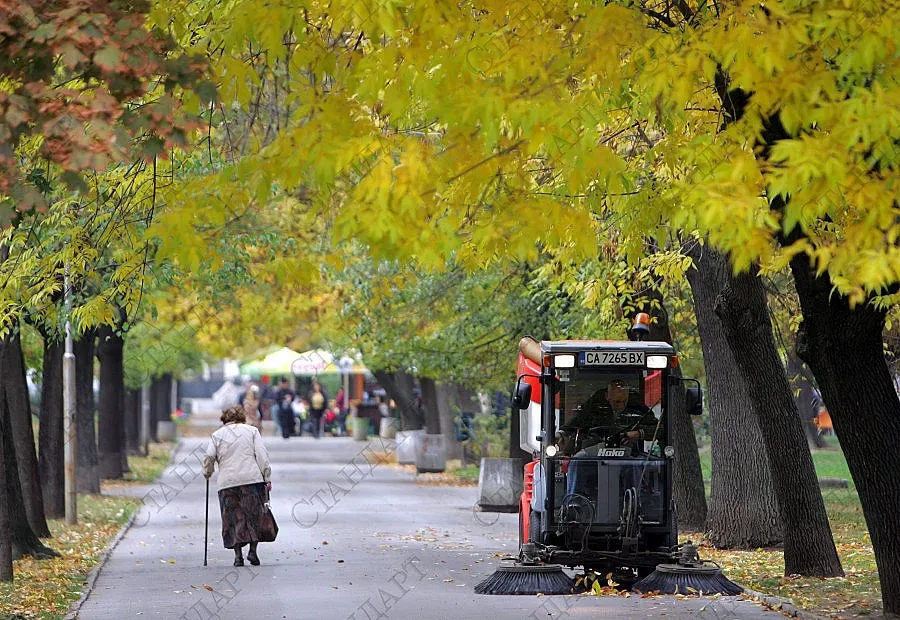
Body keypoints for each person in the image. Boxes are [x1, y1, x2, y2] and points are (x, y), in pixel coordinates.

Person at [202, 405, 272, 567]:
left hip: (227, 484)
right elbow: (262, 455)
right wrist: (266, 476)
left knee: (233, 518)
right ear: (242, 417)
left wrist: (207, 472)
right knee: (254, 516)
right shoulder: (252, 431)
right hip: (252, 480)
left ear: (224, 419)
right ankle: (253, 551)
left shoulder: (217, 436)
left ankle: (238, 556)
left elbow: (209, 456)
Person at [565, 379, 657, 455]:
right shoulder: (594, 405)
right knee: (578, 460)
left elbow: (659, 429)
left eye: (624, 401)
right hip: (594, 452)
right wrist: (562, 433)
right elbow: (577, 420)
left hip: (630, 456)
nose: (621, 406)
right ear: (607, 396)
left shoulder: (638, 407)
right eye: (617, 402)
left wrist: (639, 433)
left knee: (638, 465)